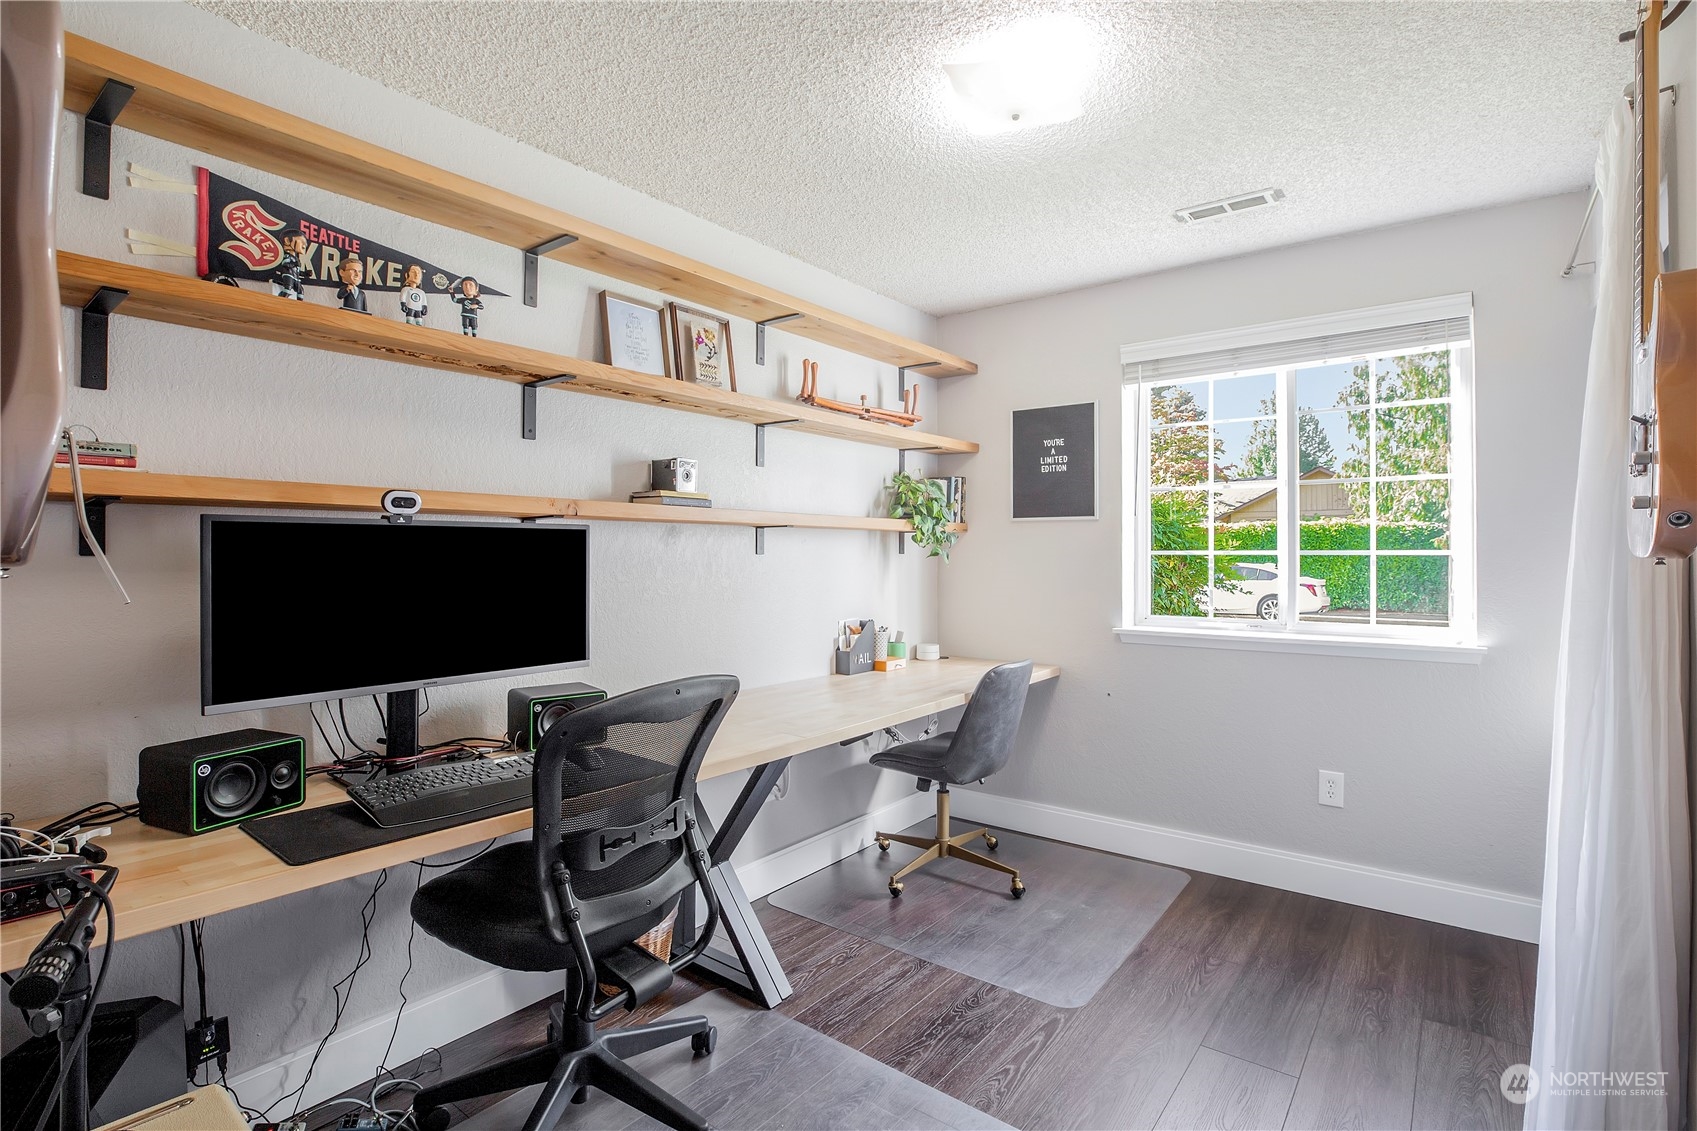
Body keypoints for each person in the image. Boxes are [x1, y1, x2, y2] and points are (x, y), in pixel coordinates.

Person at [271, 228, 313, 300]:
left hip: (296, 278)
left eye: (305, 244)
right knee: (288, 289)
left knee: (300, 291)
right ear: (287, 241)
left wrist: (305, 274)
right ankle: (281, 300)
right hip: (288, 276)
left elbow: (297, 271)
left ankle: (299, 306)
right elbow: (286, 265)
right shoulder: (288, 256)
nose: (304, 246)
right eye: (302, 242)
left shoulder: (296, 259)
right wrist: (294, 264)